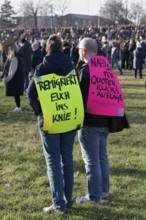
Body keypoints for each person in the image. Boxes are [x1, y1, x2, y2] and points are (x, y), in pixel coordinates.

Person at [27, 34, 84, 213]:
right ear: (62, 49)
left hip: (50, 121)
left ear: (47, 50)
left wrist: (40, 112)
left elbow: (30, 94)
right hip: (68, 119)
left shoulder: (41, 68)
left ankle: (59, 204)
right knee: (67, 159)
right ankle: (67, 202)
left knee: (53, 162)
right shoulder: (72, 68)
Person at [76, 37, 111, 204]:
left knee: (91, 160)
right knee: (102, 157)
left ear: (83, 52)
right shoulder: (106, 68)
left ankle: (95, 195)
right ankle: (104, 191)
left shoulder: (85, 71)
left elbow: (80, 99)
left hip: (90, 121)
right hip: (105, 120)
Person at [0, 44, 24, 111]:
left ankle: (18, 107)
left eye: (9, 49)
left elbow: (12, 72)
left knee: (16, 94)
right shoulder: (18, 57)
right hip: (18, 79)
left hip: (16, 79)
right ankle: (18, 107)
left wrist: (6, 79)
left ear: (13, 50)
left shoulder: (15, 58)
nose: (8, 50)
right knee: (17, 94)